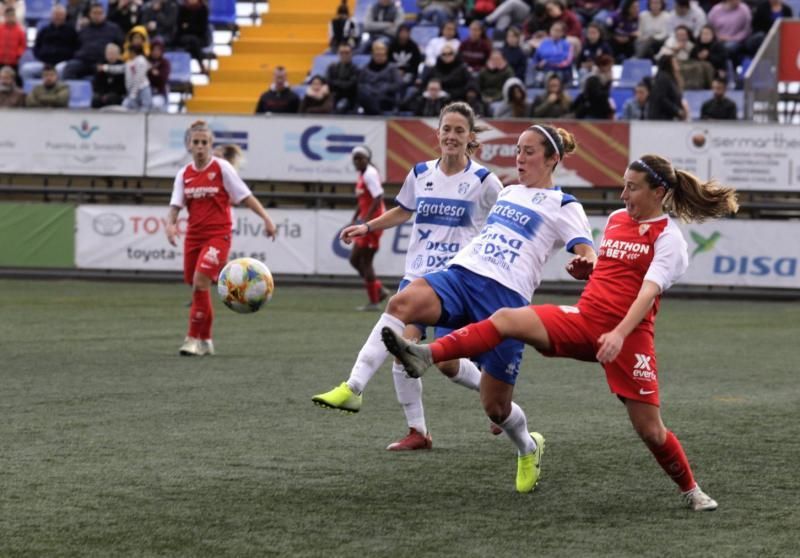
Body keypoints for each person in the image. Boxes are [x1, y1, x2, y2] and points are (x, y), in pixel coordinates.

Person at [384, 154, 739, 510]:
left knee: (650, 430)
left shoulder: (670, 240)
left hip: (628, 338)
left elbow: (646, 294)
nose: (622, 195)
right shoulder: (617, 220)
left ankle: (692, 490)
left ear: (658, 192)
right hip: (584, 320)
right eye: (623, 185)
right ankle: (427, 354)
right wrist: (588, 271)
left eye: (631, 188)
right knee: (508, 318)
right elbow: (613, 274)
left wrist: (617, 334)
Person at [319, 122, 596, 484]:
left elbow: (586, 249)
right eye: (517, 150)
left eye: (529, 152)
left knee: (496, 407)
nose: (520, 158)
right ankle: (354, 387)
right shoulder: (509, 192)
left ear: (552, 159)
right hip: (462, 275)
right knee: (402, 303)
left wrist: (586, 261)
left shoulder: (564, 204)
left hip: (505, 300)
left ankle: (528, 446)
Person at [312, 102, 505, 451]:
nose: (451, 136)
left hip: (457, 281)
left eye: (460, 131)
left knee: (447, 364)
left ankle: (499, 402)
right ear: (438, 134)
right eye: (447, 129)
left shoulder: (483, 181)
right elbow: (403, 210)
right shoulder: (420, 173)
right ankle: (416, 430)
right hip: (417, 276)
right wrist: (367, 226)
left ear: (471, 137)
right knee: (403, 351)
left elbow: (504, 221)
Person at [166, 120, 277, 356]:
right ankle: (206, 340)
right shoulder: (183, 174)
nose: (200, 146)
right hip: (193, 237)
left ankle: (192, 339)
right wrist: (170, 225)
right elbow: (176, 205)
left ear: (210, 144)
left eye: (204, 142)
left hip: (219, 235)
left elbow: (246, 197)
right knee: (198, 287)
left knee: (200, 282)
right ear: (189, 145)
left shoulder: (222, 168)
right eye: (196, 142)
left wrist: (266, 218)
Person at [345, 145, 389, 311]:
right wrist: (356, 216)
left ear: (367, 159)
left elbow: (378, 197)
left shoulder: (370, 174)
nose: (357, 161)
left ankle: (375, 301)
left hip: (373, 225)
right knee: (355, 260)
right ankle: (378, 290)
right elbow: (365, 199)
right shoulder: (363, 174)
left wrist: (367, 221)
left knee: (365, 260)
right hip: (366, 223)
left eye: (360, 158)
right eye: (355, 158)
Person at [63, 3, 124, 80]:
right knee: (70, 68)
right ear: (90, 15)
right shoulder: (84, 29)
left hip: (103, 62)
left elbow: (120, 46)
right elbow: (76, 45)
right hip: (84, 61)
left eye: (100, 13)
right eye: (95, 13)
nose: (97, 16)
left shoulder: (113, 29)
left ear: (104, 14)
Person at [647, 54, 687, 120]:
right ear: (668, 64)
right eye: (674, 62)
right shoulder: (663, 78)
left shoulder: (670, 78)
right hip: (661, 118)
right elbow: (662, 98)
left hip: (668, 116)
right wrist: (677, 111)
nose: (677, 64)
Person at [327, 43, 360, 114]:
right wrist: (343, 84)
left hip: (351, 99)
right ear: (338, 54)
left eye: (347, 53)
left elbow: (351, 85)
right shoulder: (332, 68)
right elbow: (329, 83)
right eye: (341, 53)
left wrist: (336, 83)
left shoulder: (356, 69)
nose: (344, 55)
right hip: (334, 96)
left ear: (352, 54)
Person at [92, 42, 126, 108]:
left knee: (111, 99)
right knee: (96, 99)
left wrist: (109, 94)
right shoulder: (101, 65)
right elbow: (97, 84)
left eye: (112, 53)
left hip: (117, 94)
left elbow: (122, 87)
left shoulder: (122, 67)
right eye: (108, 53)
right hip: (103, 93)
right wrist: (102, 94)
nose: (110, 56)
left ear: (118, 54)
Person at [122, 42, 151, 111]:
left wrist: (133, 93)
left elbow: (138, 78)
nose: (127, 53)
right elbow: (121, 68)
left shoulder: (141, 60)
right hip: (133, 90)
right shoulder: (129, 62)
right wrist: (106, 67)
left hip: (143, 88)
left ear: (133, 52)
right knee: (129, 106)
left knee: (145, 108)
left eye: (128, 51)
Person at [0, 5, 26, 77]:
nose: (10, 18)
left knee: (14, 78)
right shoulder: (0, 29)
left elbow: (22, 45)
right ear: (5, 16)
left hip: (13, 62)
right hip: (1, 60)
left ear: (15, 16)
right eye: (8, 16)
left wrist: (17, 55)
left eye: (12, 16)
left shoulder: (20, 30)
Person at [147, 37, 170, 111]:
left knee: (154, 104)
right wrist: (154, 73)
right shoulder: (146, 61)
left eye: (158, 50)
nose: (156, 52)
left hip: (159, 93)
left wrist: (152, 73)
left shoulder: (165, 63)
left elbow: (163, 79)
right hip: (146, 93)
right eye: (154, 50)